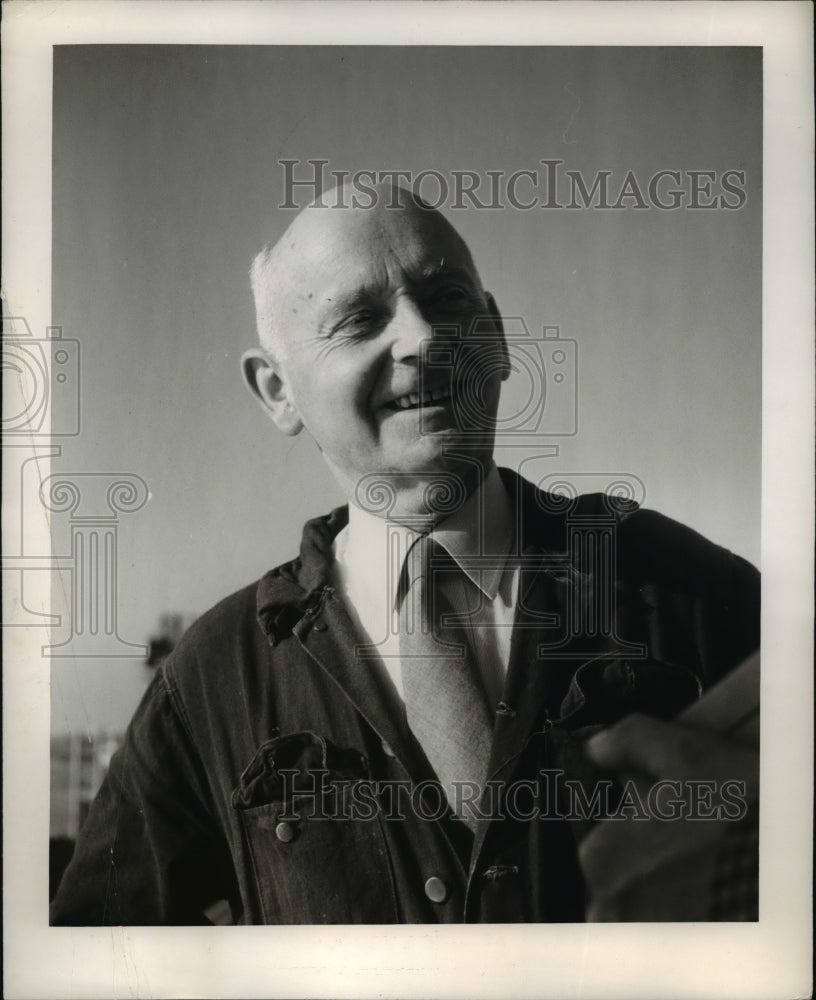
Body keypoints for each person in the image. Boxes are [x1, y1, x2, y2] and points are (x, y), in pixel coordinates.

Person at [50, 183, 760, 925]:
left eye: (447, 297)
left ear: (496, 336)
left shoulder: (692, 592)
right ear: (276, 391)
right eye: (359, 320)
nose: (424, 338)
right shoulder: (213, 679)